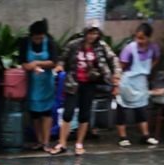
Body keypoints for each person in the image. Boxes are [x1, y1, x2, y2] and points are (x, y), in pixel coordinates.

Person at [50, 21, 121, 155]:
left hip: (89, 84)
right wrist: (59, 66)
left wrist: (116, 77)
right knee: (68, 113)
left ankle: (79, 143)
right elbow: (62, 58)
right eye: (90, 33)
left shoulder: (101, 47)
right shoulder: (74, 45)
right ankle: (62, 143)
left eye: (95, 33)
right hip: (73, 83)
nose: (92, 36)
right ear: (85, 33)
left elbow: (113, 60)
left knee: (85, 114)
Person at [116, 23, 160, 147]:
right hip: (127, 81)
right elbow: (121, 66)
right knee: (122, 109)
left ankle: (145, 135)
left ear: (148, 38)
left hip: (141, 82)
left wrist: (149, 68)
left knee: (141, 109)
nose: (139, 40)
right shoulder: (129, 48)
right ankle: (122, 137)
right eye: (137, 37)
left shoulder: (153, 48)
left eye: (142, 38)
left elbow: (157, 58)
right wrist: (116, 84)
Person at [19, 19, 58, 151]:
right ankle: (39, 141)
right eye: (36, 38)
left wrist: (37, 63)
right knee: (35, 113)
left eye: (40, 38)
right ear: (31, 36)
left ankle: (46, 142)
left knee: (46, 113)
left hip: (46, 82)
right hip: (32, 83)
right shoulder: (25, 43)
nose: (38, 41)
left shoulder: (50, 42)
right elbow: (23, 63)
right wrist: (30, 66)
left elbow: (53, 62)